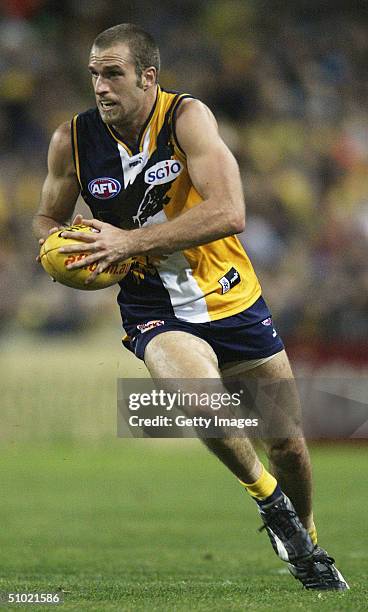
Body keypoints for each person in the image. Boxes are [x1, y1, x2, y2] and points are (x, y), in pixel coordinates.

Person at [33, 23, 348, 591]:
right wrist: (61, 248)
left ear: (148, 77)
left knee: (288, 445)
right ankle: (267, 501)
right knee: (194, 396)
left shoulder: (186, 119)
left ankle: (306, 543)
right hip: (154, 304)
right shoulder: (72, 141)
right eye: (93, 75)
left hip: (230, 295)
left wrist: (127, 242)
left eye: (113, 74)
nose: (100, 87)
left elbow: (230, 212)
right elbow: (46, 219)